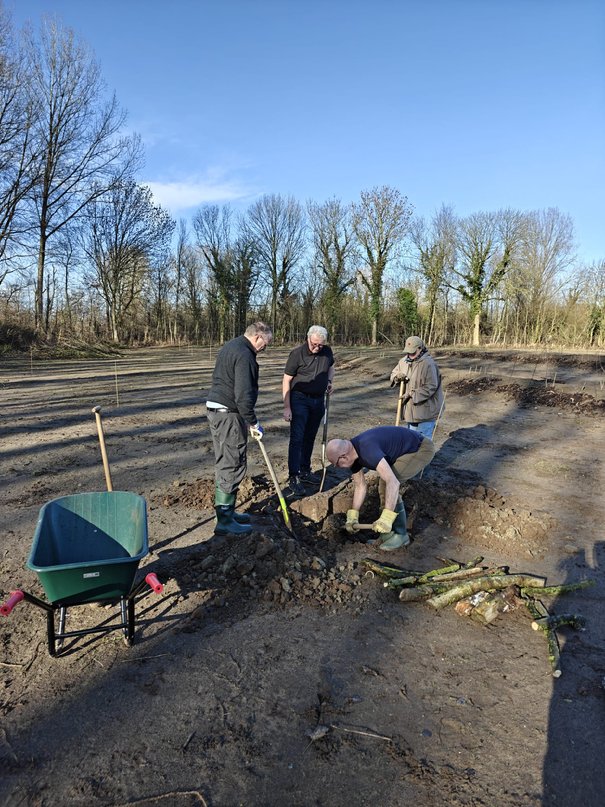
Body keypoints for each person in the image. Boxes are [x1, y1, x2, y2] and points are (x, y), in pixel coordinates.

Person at [206, 321, 273, 535]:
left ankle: (229, 512)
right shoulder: (245, 355)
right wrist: (253, 421)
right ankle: (224, 521)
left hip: (218, 409)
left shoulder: (231, 345)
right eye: (266, 344)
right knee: (232, 462)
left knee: (226, 459)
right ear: (257, 337)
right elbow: (243, 395)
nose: (265, 348)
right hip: (228, 414)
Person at [326, 425, 435, 551]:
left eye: (336, 464)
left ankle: (400, 535)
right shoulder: (353, 454)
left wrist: (387, 518)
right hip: (405, 450)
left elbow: (393, 482)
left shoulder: (368, 450)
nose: (338, 467)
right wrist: (353, 515)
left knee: (386, 484)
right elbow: (360, 486)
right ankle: (388, 534)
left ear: (344, 456)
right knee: (384, 484)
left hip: (420, 449)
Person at [282, 325, 335, 496]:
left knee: (310, 437)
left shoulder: (327, 352)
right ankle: (294, 475)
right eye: (314, 344)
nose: (317, 347)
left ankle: (305, 470)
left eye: (320, 345)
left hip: (318, 401)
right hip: (299, 399)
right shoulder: (297, 354)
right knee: (297, 438)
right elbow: (286, 380)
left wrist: (329, 382)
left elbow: (331, 367)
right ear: (308, 338)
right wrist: (287, 406)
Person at [390, 336, 444, 439]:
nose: (410, 355)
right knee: (412, 441)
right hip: (411, 411)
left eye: (413, 352)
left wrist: (412, 393)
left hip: (426, 411)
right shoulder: (403, 361)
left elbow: (431, 386)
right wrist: (396, 377)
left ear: (420, 348)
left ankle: (426, 455)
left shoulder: (428, 364)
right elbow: (394, 373)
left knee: (424, 443)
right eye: (408, 352)